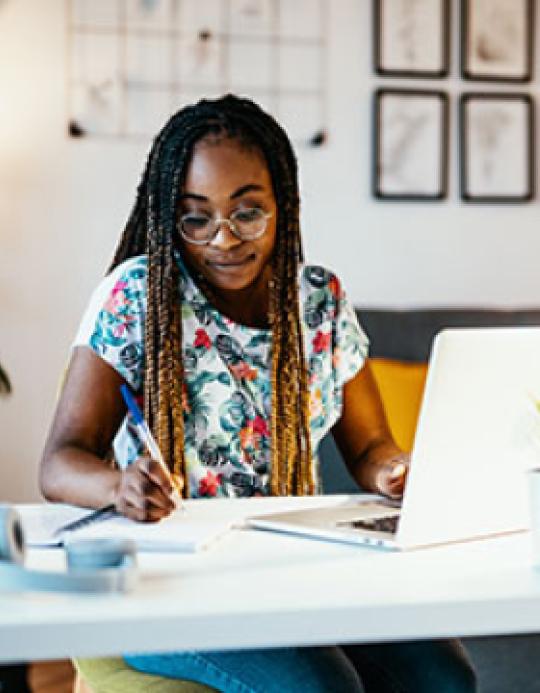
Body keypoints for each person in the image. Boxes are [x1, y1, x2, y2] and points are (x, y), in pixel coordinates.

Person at [40, 94, 476, 693]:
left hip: (295, 569)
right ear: (171, 217)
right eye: (197, 217)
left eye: (248, 213)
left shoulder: (318, 301)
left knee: (444, 678)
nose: (223, 238)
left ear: (283, 206)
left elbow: (370, 444)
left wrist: (394, 471)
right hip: (172, 582)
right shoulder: (137, 295)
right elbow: (60, 461)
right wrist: (120, 486)